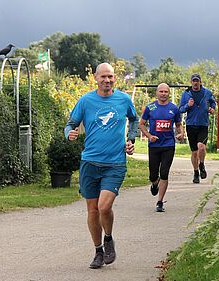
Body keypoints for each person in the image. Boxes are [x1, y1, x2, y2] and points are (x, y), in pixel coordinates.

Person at [64, 63, 138, 269]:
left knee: (104, 206)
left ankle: (109, 238)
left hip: (115, 163)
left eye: (111, 77)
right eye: (103, 77)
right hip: (89, 162)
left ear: (115, 79)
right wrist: (69, 133)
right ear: (95, 78)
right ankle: (98, 251)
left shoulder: (123, 99)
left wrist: (131, 139)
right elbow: (70, 123)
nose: (107, 80)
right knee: (92, 210)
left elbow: (134, 120)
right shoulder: (86, 101)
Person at [139, 83, 184, 212]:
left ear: (169, 93)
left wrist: (180, 133)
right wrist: (149, 136)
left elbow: (179, 124)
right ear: (157, 93)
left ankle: (160, 202)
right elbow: (141, 124)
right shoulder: (150, 107)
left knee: (164, 173)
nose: (163, 94)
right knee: (153, 175)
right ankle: (154, 183)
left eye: (166, 92)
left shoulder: (174, 108)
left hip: (168, 145)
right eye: (161, 91)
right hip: (154, 145)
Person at [179, 73, 216, 184]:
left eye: (197, 81)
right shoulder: (186, 94)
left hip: (203, 124)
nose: (195, 83)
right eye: (194, 81)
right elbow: (180, 109)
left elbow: (213, 103)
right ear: (191, 82)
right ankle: (196, 173)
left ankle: (202, 164)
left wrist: (212, 109)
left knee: (201, 147)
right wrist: (188, 106)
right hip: (191, 125)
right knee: (194, 152)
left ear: (200, 82)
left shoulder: (207, 93)